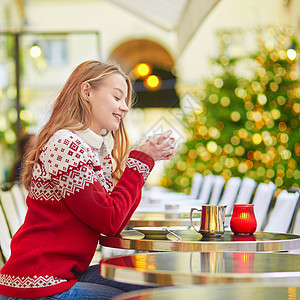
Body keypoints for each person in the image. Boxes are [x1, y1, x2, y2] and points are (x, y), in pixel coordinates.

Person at [0, 60, 177, 300]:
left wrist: (145, 161)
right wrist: (140, 162)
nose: (124, 108)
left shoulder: (90, 149)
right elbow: (109, 220)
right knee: (150, 294)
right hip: (36, 285)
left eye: (125, 101)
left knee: (159, 281)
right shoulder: (66, 145)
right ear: (87, 92)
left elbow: (115, 219)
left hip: (62, 276)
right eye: (117, 97)